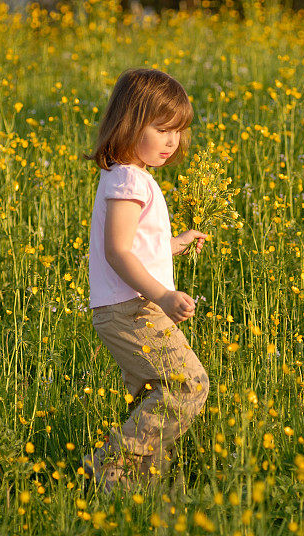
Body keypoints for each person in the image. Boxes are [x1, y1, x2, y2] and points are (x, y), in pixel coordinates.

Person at [80, 68, 210, 495]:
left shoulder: (127, 176)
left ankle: (136, 489)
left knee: (159, 391)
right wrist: (164, 295)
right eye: (162, 128)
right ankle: (110, 465)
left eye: (179, 130)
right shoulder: (129, 180)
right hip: (132, 308)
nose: (173, 141)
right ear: (130, 123)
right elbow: (118, 251)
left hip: (129, 306)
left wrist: (172, 244)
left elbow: (135, 244)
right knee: (187, 385)